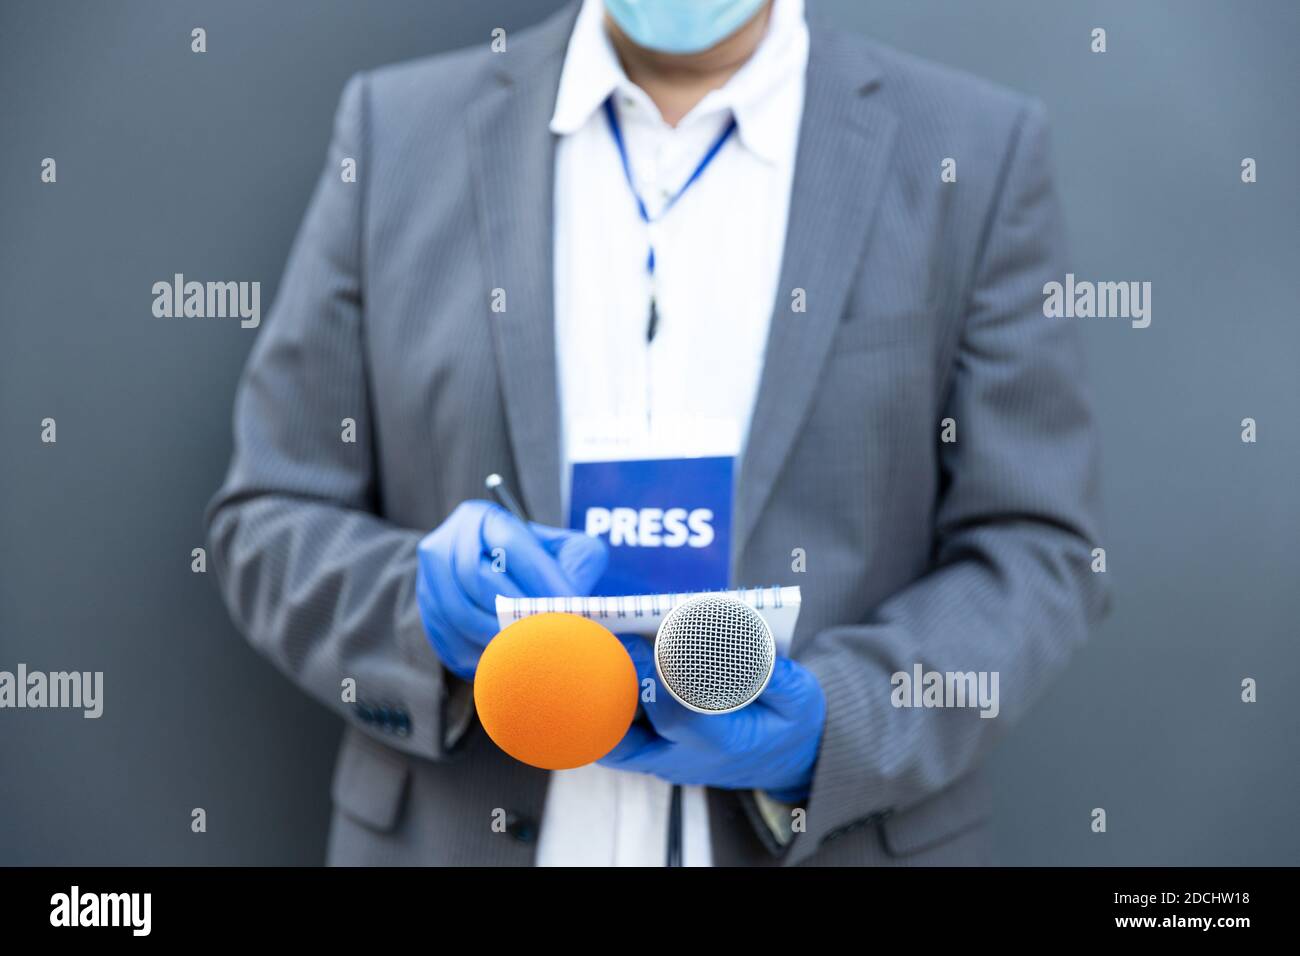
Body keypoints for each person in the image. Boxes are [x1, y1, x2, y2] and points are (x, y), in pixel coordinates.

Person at [207, 0, 1107, 866]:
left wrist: (837, 723)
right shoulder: (396, 132)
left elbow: (1038, 547)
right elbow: (267, 518)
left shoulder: (970, 151)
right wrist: (420, 610)